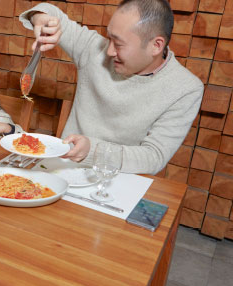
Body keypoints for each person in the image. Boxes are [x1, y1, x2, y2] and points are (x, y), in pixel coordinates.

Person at [19, 0, 204, 174]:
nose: (109, 51)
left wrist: (92, 150)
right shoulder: (93, 49)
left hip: (120, 181)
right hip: (62, 169)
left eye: (119, 44)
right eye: (109, 38)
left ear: (156, 45)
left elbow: (154, 157)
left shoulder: (185, 88)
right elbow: (49, 12)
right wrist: (40, 18)